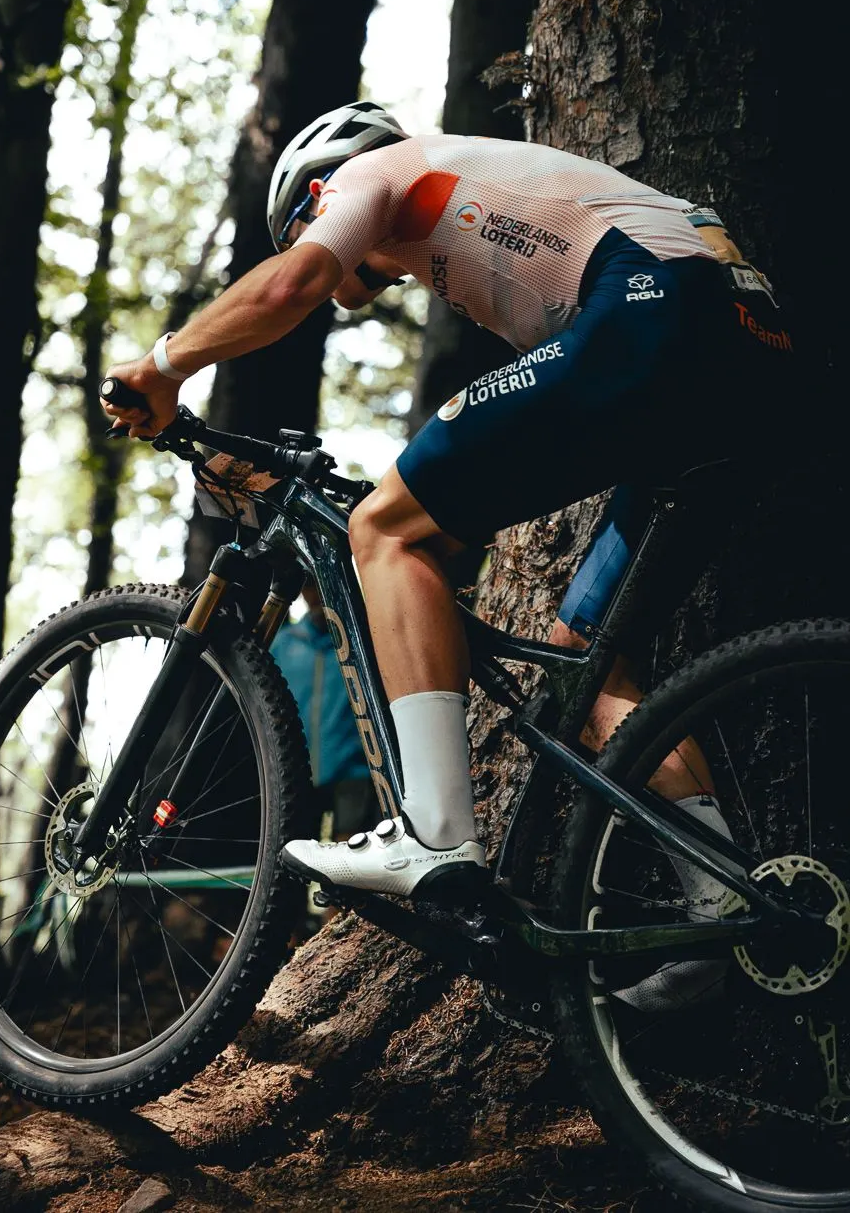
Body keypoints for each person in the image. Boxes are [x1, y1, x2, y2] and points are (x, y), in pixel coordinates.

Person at [102, 102, 794, 1010]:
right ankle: (721, 918)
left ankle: (432, 837)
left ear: (318, 189)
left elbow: (288, 288)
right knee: (590, 656)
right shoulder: (482, 218)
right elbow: (553, 421)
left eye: (300, 223)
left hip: (652, 305)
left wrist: (165, 364)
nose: (324, 243)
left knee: (386, 530)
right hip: (747, 348)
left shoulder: (382, 172)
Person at [270, 580, 375, 841]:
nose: (314, 594)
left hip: (354, 772)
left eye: (318, 585)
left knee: (353, 857)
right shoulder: (283, 644)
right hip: (296, 772)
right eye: (306, 587)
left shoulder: (362, 641)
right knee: (296, 857)